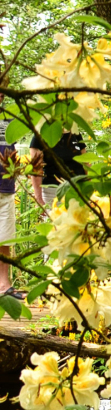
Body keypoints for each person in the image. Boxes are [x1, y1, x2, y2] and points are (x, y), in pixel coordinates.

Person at [0, 96, 22, 299]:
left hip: (6, 186)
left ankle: (3, 285)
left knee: (5, 238)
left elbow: (11, 148)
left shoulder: (8, 118)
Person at [30, 129, 86, 207]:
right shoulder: (41, 136)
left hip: (79, 191)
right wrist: (39, 199)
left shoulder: (74, 132)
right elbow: (36, 170)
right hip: (54, 193)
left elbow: (86, 162)